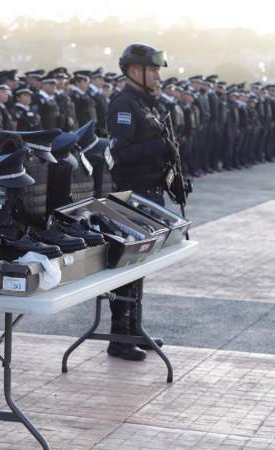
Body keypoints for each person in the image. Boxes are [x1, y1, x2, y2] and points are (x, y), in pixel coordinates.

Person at [107, 43, 177, 361]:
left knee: (141, 266)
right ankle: (119, 337)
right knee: (130, 265)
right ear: (135, 71)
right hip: (132, 193)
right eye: (153, 69)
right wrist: (159, 149)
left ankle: (135, 329)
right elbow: (120, 154)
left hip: (150, 192)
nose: (158, 75)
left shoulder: (145, 103)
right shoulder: (124, 104)